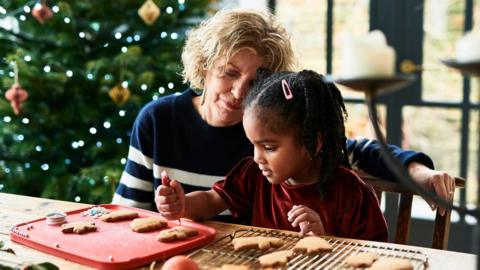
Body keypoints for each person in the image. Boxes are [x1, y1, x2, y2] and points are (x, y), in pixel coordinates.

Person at [112, 8, 455, 218]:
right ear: (203, 66)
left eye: (256, 80)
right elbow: (129, 214)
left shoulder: (271, 129)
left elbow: (359, 150)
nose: (240, 92)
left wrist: (418, 171)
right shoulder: (158, 120)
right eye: (229, 73)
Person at [156, 69, 388, 241]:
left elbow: (374, 257)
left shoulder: (352, 194)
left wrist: (324, 237)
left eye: (269, 147)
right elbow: (210, 201)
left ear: (312, 143)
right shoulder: (253, 175)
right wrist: (182, 204)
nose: (257, 157)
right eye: (253, 145)